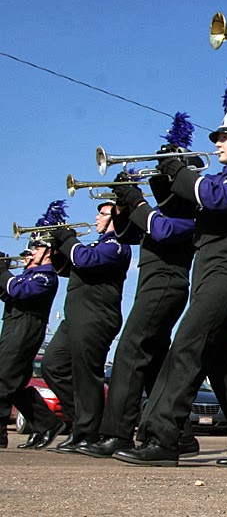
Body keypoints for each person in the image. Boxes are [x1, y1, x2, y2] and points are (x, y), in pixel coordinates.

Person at [114, 69, 227, 467]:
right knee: (218, 360)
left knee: (185, 347)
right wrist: (161, 181)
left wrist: (180, 172)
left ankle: (163, 438)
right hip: (207, 271)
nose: (216, 142)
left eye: (224, 137)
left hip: (226, 270)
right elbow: (174, 215)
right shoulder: (218, 175)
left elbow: (218, 198)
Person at [77, 113, 201, 459]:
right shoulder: (161, 206)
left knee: (130, 349)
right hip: (153, 283)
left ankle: (116, 433)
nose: (161, 176)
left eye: (167, 169)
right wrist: (122, 201)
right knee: (155, 361)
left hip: (167, 283)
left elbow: (161, 229)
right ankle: (181, 435)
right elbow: (132, 232)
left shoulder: (191, 208)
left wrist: (136, 200)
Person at [43, 199, 131, 452]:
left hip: (96, 316)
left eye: (102, 215)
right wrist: (57, 246)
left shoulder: (117, 245)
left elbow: (85, 260)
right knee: (53, 365)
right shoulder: (96, 244)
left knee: (86, 375)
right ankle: (82, 422)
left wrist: (68, 238)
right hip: (75, 316)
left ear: (114, 219)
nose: (96, 219)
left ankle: (86, 432)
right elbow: (66, 267)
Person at [0, 204, 66, 450]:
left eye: (35, 248)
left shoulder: (45, 276)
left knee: (3, 378)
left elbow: (19, 291)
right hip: (13, 326)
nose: (28, 254)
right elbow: (9, 295)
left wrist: (3, 272)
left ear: (48, 251)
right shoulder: (28, 274)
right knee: (14, 385)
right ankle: (46, 423)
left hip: (27, 329)